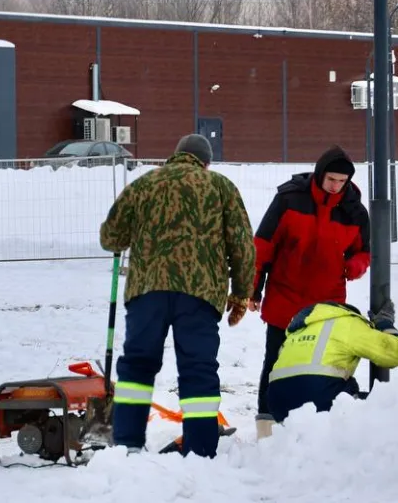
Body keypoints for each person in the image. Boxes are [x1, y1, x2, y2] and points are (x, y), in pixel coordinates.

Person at [99, 134, 257, 458]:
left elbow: (110, 236)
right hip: (199, 294)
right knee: (198, 369)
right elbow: (242, 245)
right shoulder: (220, 187)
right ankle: (200, 450)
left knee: (137, 367)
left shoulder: (145, 184)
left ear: (176, 155)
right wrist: (241, 296)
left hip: (147, 291)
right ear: (205, 162)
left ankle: (127, 444)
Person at [250, 146, 370, 439]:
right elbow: (263, 246)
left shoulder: (355, 211)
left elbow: (363, 251)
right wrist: (253, 290)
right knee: (274, 361)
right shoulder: (289, 199)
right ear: (319, 174)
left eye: (342, 181)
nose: (336, 186)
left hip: (326, 305)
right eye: (331, 179)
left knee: (323, 363)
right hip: (285, 297)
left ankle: (320, 422)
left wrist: (353, 266)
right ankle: (267, 424)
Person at [266, 299, 398, 423]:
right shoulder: (348, 322)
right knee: (383, 406)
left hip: (277, 401)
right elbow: (392, 353)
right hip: (319, 396)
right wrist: (384, 324)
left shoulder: (300, 328)